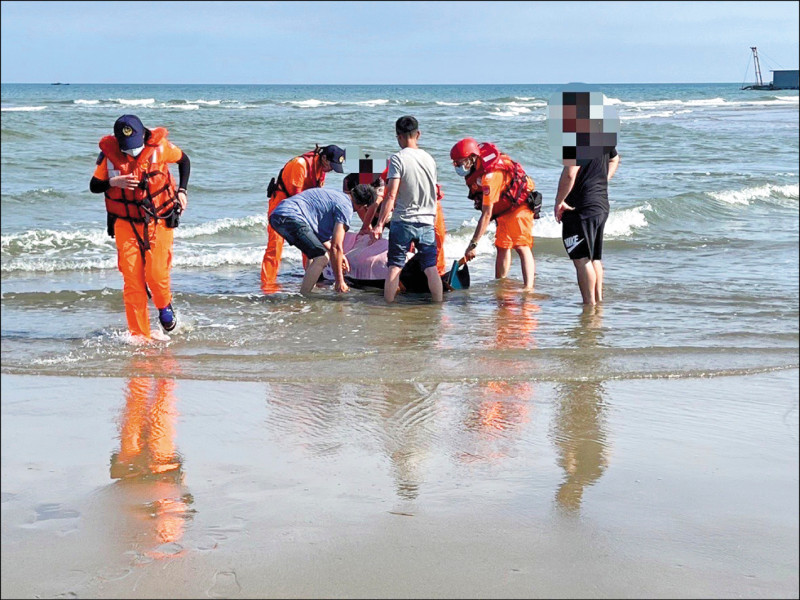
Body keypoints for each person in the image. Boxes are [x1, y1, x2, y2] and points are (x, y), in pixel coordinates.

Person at [90, 114, 189, 340]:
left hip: (159, 219)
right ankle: (139, 336)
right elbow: (94, 186)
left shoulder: (161, 148)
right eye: (126, 148)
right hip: (125, 223)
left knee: (155, 275)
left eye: (134, 146)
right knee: (132, 280)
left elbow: (184, 161)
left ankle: (164, 307)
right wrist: (112, 183)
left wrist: (182, 191)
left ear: (143, 136)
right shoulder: (108, 156)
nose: (130, 151)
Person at [371, 116, 443, 303]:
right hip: (427, 220)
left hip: (403, 221)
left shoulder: (397, 159)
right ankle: (438, 306)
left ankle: (388, 308)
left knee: (395, 266)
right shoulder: (430, 159)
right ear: (418, 134)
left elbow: (391, 195)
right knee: (430, 267)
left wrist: (379, 224)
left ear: (398, 137)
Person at [450, 138, 537, 290]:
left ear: (472, 158)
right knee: (502, 246)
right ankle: (501, 285)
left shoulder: (490, 176)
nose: (457, 166)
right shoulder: (477, 168)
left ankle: (528, 289)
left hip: (519, 206)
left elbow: (486, 214)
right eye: (455, 163)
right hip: (504, 208)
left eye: (459, 162)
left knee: (521, 246)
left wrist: (473, 244)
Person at [260, 144, 346, 292]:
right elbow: (296, 198)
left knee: (309, 245)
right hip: (281, 207)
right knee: (275, 246)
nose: (331, 169)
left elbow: (316, 197)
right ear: (323, 158)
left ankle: (311, 277)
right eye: (331, 165)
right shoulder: (299, 165)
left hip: (302, 208)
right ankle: (268, 286)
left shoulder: (321, 170)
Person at [268, 184, 377, 294]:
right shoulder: (346, 208)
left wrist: (341, 256)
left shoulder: (336, 195)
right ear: (364, 206)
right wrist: (340, 281)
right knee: (321, 258)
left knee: (314, 255)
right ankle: (304, 298)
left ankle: (309, 287)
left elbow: (321, 239)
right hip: (292, 217)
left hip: (277, 215)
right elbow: (336, 246)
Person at [554, 145, 620, 305]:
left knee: (581, 258)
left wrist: (559, 201)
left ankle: (589, 305)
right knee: (594, 257)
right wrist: (602, 180)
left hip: (581, 206)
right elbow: (615, 159)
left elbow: (570, 174)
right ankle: (598, 301)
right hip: (601, 203)